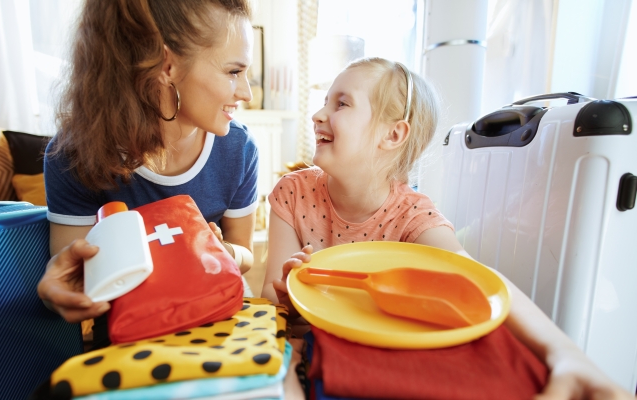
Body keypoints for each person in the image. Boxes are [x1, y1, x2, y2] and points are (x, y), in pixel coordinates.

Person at [261, 57, 633, 399]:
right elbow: (271, 301)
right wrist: (286, 299)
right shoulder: (292, 194)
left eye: (341, 104)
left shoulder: (412, 216)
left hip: (382, 360)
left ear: (393, 135)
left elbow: (479, 279)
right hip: (311, 350)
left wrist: (564, 353)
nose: (318, 114)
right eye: (326, 101)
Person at [37, 0, 258, 350]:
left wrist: (225, 251)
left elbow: (245, 252)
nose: (246, 93)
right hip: (131, 346)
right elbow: (71, 280)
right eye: (234, 72)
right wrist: (56, 293)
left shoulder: (239, 149)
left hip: (220, 332)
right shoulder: (75, 156)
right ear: (167, 66)